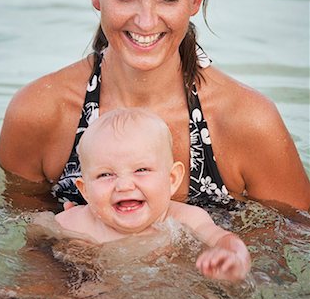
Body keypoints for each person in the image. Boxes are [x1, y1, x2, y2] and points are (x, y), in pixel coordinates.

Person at [0, 0, 310, 211]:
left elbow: (294, 242)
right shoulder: (38, 113)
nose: (145, 21)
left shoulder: (248, 123)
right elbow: (25, 245)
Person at [54, 107, 251, 282]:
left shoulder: (186, 219)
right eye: (105, 174)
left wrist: (233, 256)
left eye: (141, 170)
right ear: (85, 190)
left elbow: (222, 238)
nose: (123, 185)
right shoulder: (74, 224)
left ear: (172, 179)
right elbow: (36, 241)